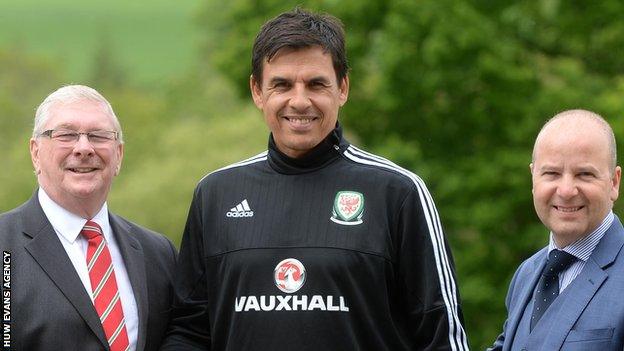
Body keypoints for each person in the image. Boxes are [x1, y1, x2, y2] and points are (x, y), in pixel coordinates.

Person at [161, 8, 467, 351]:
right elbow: (189, 332)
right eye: (282, 84)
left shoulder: (398, 192)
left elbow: (442, 337)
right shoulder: (216, 194)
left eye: (316, 84)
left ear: (343, 88)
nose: (300, 100)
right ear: (257, 91)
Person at [0, 85, 177, 351]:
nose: (84, 148)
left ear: (118, 156)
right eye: (66, 135)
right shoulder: (4, 243)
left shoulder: (158, 253)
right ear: (36, 153)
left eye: (98, 136)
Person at [489, 109, 624, 350]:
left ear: (614, 183)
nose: (566, 190)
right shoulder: (527, 273)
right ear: (533, 178)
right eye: (551, 173)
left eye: (584, 174)